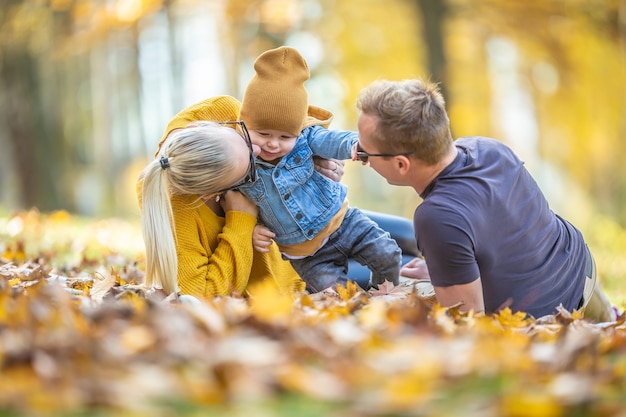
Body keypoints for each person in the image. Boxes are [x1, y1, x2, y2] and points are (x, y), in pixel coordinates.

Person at [355, 78, 617, 322]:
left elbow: (468, 323)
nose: (359, 156)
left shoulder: (437, 217)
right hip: (582, 273)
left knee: (396, 290)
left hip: (547, 321)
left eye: (365, 153)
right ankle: (611, 319)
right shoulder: (489, 149)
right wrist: (446, 272)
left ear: (402, 164)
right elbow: (512, 233)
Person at [137, 95, 343, 298]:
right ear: (212, 194)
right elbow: (199, 294)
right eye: (251, 168)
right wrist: (240, 221)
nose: (256, 149)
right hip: (299, 275)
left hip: (328, 221)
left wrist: (317, 155)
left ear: (202, 126)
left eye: (243, 136)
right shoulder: (173, 208)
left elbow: (287, 121)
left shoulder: (222, 112)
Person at [235, 46, 402, 292]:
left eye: (284, 136)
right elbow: (240, 207)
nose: (273, 143)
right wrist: (255, 229)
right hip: (308, 255)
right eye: (263, 134)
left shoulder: (306, 138)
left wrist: (358, 144)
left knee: (388, 254)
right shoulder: (240, 164)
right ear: (244, 126)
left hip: (344, 222)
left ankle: (387, 295)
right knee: (333, 294)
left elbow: (333, 141)